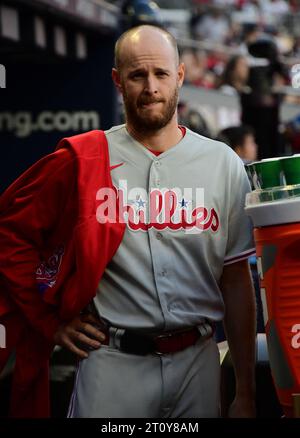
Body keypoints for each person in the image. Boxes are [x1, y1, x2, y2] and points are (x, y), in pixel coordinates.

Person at [0, 25, 256, 418]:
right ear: (118, 80)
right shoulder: (83, 158)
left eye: (161, 74)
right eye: (137, 75)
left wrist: (246, 391)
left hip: (198, 360)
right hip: (112, 360)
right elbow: (10, 233)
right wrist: (48, 323)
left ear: (181, 76)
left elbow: (236, 279)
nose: (151, 86)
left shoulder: (222, 163)